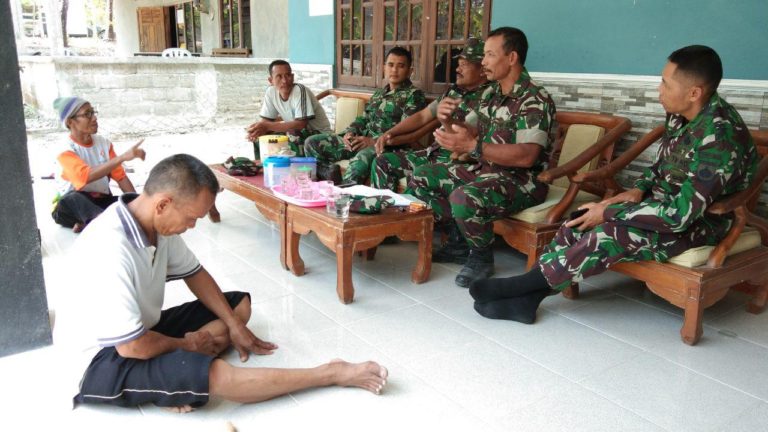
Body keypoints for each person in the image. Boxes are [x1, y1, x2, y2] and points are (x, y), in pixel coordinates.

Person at [55, 154, 387, 411]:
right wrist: (188, 345)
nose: (192, 226)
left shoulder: (153, 221)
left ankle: (180, 375)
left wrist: (232, 324)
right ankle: (330, 372)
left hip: (141, 329)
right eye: (191, 219)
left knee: (238, 305)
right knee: (218, 377)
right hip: (104, 358)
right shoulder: (110, 248)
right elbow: (132, 347)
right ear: (163, 204)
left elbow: (195, 274)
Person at [469, 45, 759, 324]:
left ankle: (523, 287)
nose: (659, 89)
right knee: (578, 219)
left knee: (609, 232)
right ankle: (529, 299)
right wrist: (636, 191)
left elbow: (678, 216)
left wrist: (608, 212)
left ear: (694, 92)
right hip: (659, 207)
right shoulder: (682, 115)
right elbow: (662, 166)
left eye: (665, 84)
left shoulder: (720, 138)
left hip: (700, 223)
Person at [409, 27, 556, 287]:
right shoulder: (491, 94)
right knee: (422, 176)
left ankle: (481, 257)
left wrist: (474, 147)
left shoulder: (534, 98)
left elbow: (527, 156)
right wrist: (447, 119)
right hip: (487, 170)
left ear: (511, 58)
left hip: (523, 180)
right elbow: (468, 131)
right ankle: (459, 240)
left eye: (489, 55)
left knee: (463, 196)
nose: (484, 62)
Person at [370, 37, 490, 192]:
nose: (457, 69)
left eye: (464, 65)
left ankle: (400, 213)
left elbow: (462, 134)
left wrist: (445, 120)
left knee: (421, 177)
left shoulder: (489, 96)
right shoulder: (454, 91)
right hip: (433, 153)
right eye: (458, 64)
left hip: (456, 159)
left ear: (482, 69)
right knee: (383, 162)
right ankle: (383, 208)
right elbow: (423, 116)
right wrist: (389, 133)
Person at [304, 46, 427, 184]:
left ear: (410, 71)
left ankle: (346, 197)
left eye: (401, 66)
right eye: (391, 65)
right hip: (360, 141)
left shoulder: (414, 96)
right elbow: (363, 118)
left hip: (386, 147)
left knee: (360, 160)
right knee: (312, 142)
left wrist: (373, 141)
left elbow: (406, 130)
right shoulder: (379, 94)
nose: (394, 70)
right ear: (384, 67)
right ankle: (328, 174)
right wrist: (351, 132)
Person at [51, 96, 145, 233]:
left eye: (93, 112)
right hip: (69, 207)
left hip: (99, 202)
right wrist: (122, 157)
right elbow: (84, 177)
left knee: (128, 202)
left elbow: (121, 178)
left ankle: (91, 222)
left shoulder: (104, 144)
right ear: (70, 122)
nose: (94, 118)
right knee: (73, 198)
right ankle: (101, 223)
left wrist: (137, 202)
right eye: (87, 114)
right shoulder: (64, 149)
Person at [245, 60, 332, 157]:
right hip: (297, 133)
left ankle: (297, 169)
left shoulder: (300, 90)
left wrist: (266, 126)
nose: (285, 80)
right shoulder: (271, 92)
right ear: (271, 81)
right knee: (261, 136)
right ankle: (265, 166)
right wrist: (257, 130)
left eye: (288, 75)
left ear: (293, 77)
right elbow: (266, 121)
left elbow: (301, 124)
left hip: (320, 136)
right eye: (279, 76)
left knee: (293, 134)